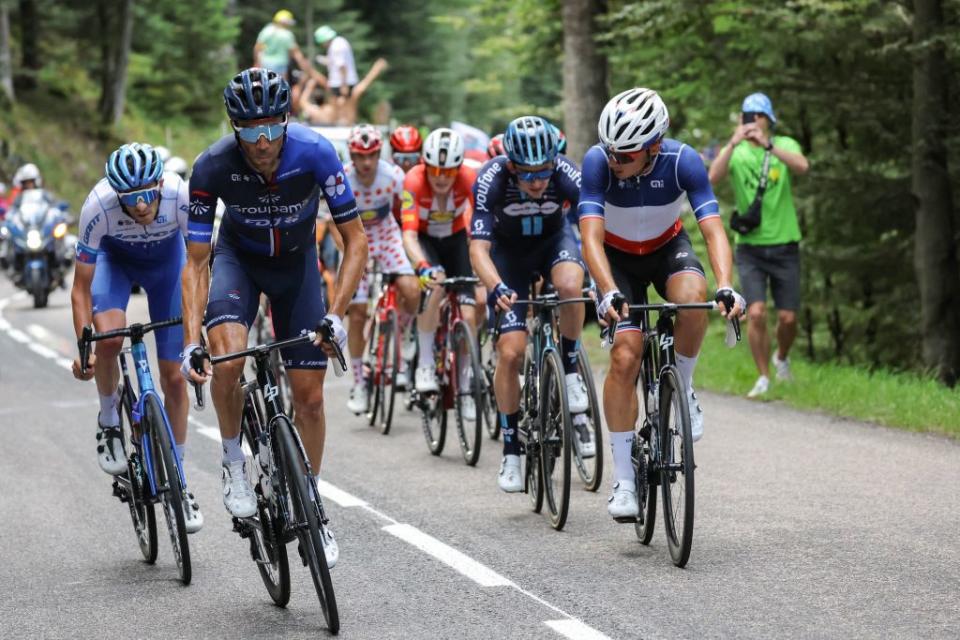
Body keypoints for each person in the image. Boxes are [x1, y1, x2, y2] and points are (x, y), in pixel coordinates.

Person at [181, 68, 367, 567]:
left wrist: (337, 314)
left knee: (308, 398)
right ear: (232, 126)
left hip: (298, 266)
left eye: (270, 127)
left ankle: (312, 504)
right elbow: (196, 262)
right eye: (248, 130)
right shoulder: (211, 167)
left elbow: (356, 241)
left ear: (286, 119)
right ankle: (231, 463)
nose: (261, 141)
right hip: (237, 262)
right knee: (226, 363)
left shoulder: (316, 152)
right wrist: (190, 339)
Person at [579, 88, 744, 521]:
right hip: (616, 259)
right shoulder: (597, 161)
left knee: (693, 299)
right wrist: (606, 288)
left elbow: (711, 229)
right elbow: (590, 236)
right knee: (625, 355)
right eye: (611, 151)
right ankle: (624, 481)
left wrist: (725, 284)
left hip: (666, 247)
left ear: (654, 146)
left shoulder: (682, 161)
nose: (615, 161)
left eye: (626, 155)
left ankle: (683, 388)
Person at [69, 143, 202, 532]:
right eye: (130, 198)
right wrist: (85, 346)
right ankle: (110, 421)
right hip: (117, 264)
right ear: (115, 193)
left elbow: (197, 264)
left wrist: (196, 337)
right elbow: (80, 289)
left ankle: (178, 478)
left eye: (147, 194)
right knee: (109, 340)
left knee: (175, 377)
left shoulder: (179, 194)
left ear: (160, 184)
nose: (141, 205)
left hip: (168, 267)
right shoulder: (98, 205)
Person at [469, 116, 591, 492]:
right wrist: (495, 286)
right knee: (510, 354)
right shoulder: (491, 178)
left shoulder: (567, 171)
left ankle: (569, 370)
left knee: (571, 284)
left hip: (555, 243)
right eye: (528, 175)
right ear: (511, 167)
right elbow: (478, 248)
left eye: (544, 172)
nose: (538, 182)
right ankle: (510, 451)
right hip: (508, 258)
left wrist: (604, 282)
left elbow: (595, 223)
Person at [708, 92, 809, 398]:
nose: (753, 122)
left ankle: (781, 358)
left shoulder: (784, 145)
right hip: (750, 248)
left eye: (758, 116)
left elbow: (802, 167)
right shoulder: (735, 152)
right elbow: (712, 177)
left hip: (785, 244)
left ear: (768, 120)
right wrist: (734, 141)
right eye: (748, 116)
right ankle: (763, 376)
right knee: (756, 313)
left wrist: (768, 145)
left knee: (789, 317)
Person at [342, 125, 420, 413]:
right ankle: (360, 383)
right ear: (352, 155)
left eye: (372, 155)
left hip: (386, 235)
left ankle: (406, 332)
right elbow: (336, 227)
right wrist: (350, 254)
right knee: (359, 313)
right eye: (360, 156)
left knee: (411, 289)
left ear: (379, 154)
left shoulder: (394, 176)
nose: (366, 163)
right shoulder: (342, 178)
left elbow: (407, 210)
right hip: (354, 239)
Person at [400, 128, 478, 411]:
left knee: (470, 313)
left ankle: (466, 385)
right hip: (425, 239)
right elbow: (408, 236)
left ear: (459, 167)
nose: (442, 177)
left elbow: (481, 225)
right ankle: (424, 366)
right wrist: (421, 266)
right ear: (424, 165)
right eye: (434, 170)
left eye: (449, 171)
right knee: (436, 285)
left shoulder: (470, 178)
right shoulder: (413, 180)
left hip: (455, 240)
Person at [254, 10, 326, 109]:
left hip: (265, 65)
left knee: (265, 92)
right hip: (280, 67)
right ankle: (279, 114)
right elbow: (297, 54)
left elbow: (257, 48)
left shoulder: (266, 31)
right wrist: (307, 69)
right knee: (280, 93)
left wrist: (256, 64)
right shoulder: (287, 35)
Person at [299, 57, 387, 127]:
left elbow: (362, 87)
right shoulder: (333, 106)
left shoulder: (348, 104)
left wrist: (376, 70)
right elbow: (325, 83)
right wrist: (310, 70)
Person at [313, 26, 358, 102]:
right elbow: (334, 62)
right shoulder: (339, 41)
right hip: (345, 81)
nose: (322, 45)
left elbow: (342, 66)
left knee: (342, 109)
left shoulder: (336, 47)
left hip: (341, 83)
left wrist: (344, 85)